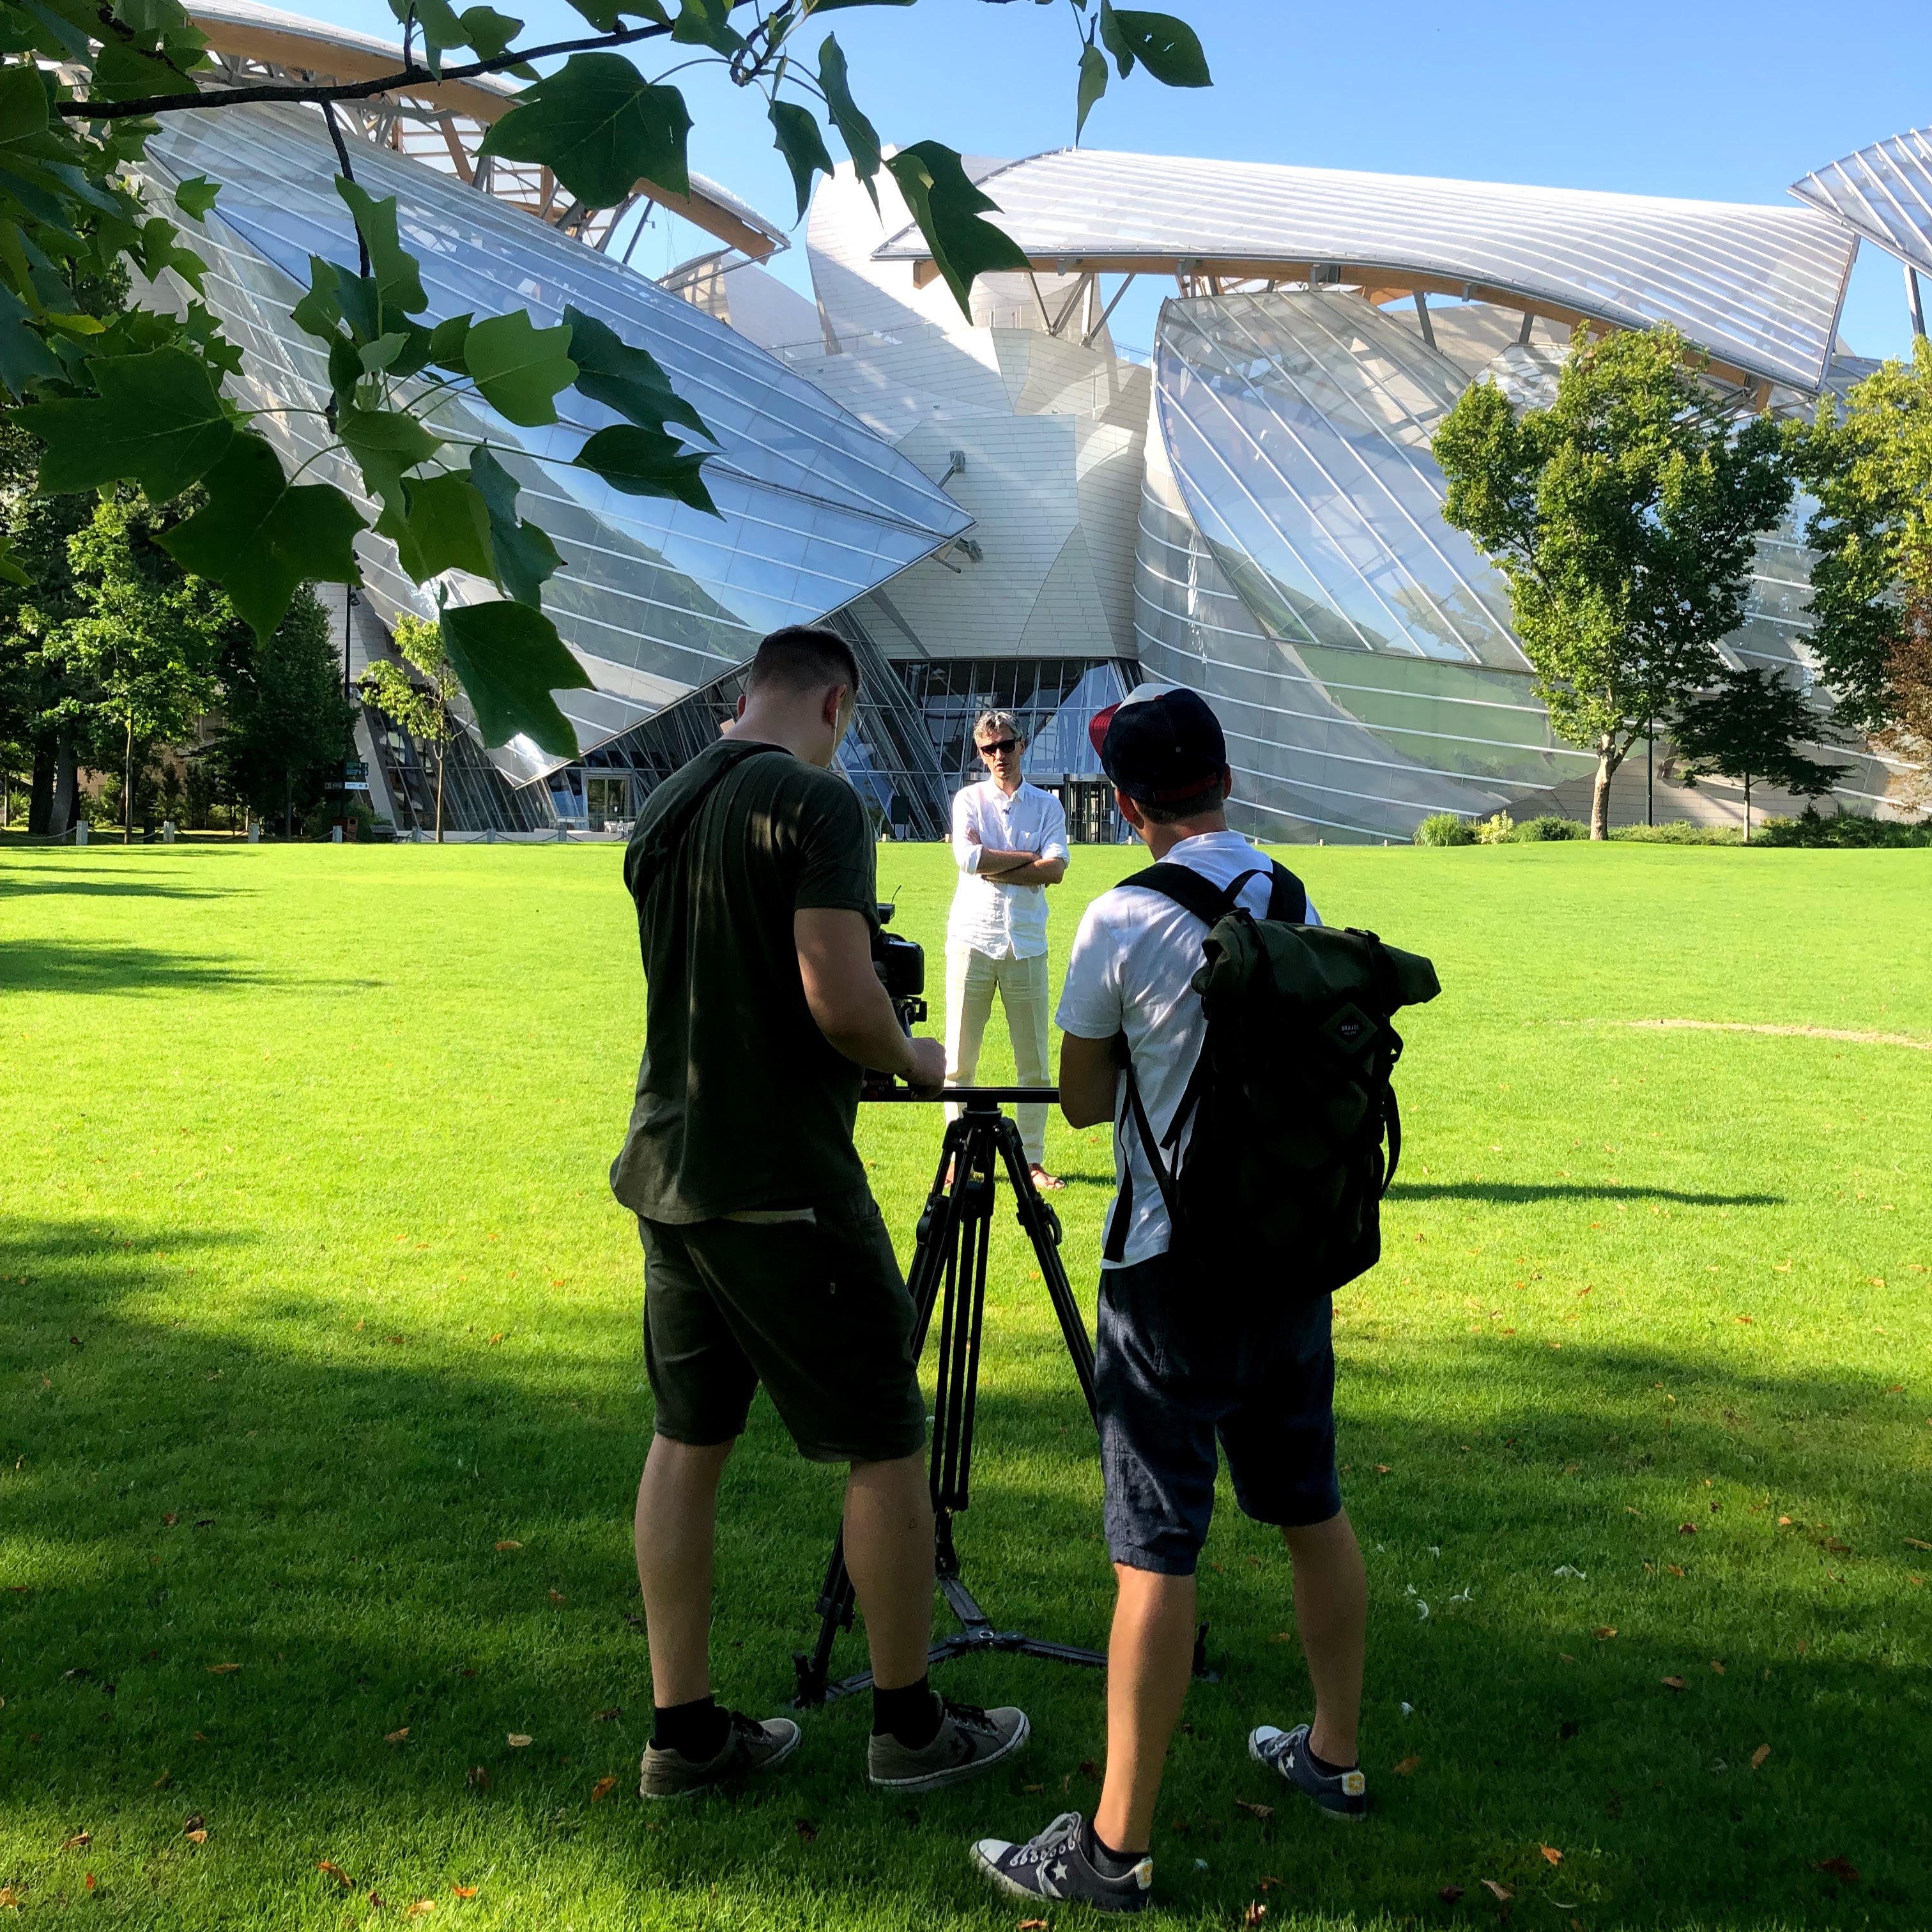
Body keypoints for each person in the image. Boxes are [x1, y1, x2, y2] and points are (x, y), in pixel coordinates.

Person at [610, 625, 1030, 1801]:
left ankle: (681, 1733)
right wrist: (918, 1055)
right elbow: (839, 999)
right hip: (779, 1178)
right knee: (887, 1436)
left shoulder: (668, 800)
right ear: (838, 703)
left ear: (750, 691)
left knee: (687, 1438)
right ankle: (909, 1728)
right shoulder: (816, 805)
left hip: (668, 1164)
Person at [970, 684, 1369, 1913]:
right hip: (1288, 1254)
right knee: (1308, 1507)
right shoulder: (1291, 898)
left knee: (1153, 1551)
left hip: (1166, 1266)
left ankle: (1113, 1845)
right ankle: (1333, 1756)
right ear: (1227, 780)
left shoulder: (1120, 914)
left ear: (1128, 802)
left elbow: (1083, 1098)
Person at [944, 709, 1071, 1189]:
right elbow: (969, 859)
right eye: (989, 749)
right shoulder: (969, 799)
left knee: (1034, 1062)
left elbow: (1057, 870)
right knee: (958, 1061)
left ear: (1022, 745)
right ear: (980, 754)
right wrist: (1028, 861)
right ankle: (958, 1156)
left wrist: (996, 863)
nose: (999, 755)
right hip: (972, 938)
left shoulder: (1046, 806)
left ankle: (1033, 1160)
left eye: (1007, 745)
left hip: (1027, 943)